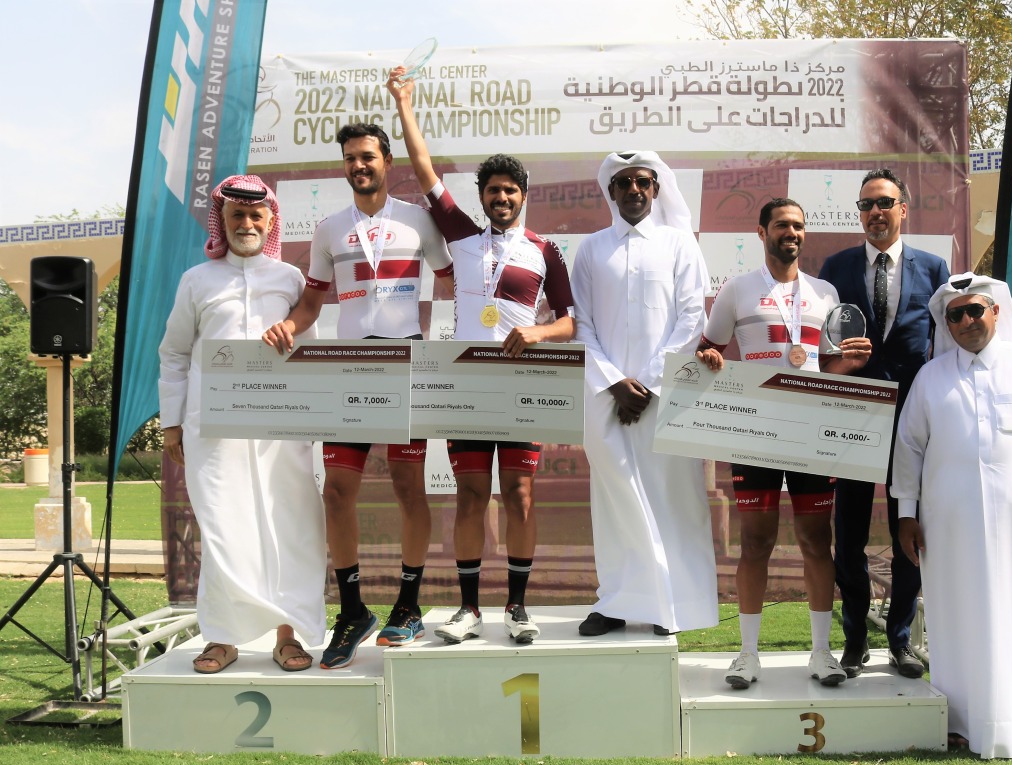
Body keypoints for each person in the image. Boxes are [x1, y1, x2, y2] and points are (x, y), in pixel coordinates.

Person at [388, 67, 575, 645]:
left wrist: (538, 335)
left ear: (522, 197)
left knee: (519, 495)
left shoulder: (545, 250)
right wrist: (405, 103)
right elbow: (424, 172)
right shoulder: (461, 237)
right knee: (470, 496)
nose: (501, 197)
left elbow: (571, 321)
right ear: (483, 198)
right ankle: (469, 609)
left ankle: (517, 606)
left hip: (521, 384)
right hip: (466, 385)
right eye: (492, 190)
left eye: (510, 191)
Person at [262, 123, 452, 669]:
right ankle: (353, 611)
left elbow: (456, 283)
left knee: (408, 488)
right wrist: (287, 328)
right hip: (349, 370)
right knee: (338, 494)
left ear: (386, 161)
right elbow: (311, 306)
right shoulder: (328, 230)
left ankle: (409, 606)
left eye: (366, 156)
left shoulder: (418, 221)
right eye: (349, 158)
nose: (358, 165)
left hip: (405, 365)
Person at [891, 272, 1012, 758]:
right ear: (947, 324)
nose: (966, 321)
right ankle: (958, 722)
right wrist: (906, 515)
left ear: (996, 311)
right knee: (957, 617)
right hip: (949, 527)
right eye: (955, 314)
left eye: (975, 310)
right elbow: (909, 450)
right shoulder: (931, 378)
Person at [697, 199, 872, 688]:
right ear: (762, 232)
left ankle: (821, 653)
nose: (790, 232)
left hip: (811, 431)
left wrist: (850, 365)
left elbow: (825, 366)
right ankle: (747, 655)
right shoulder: (737, 289)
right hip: (755, 430)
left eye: (798, 225)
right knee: (756, 542)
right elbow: (708, 348)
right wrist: (712, 359)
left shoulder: (824, 292)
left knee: (818, 542)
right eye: (781, 225)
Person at [159, 175, 326, 674]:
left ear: (271, 221)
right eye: (237, 216)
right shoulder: (197, 281)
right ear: (223, 221)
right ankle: (221, 638)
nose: (247, 224)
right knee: (222, 529)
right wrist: (171, 425)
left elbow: (314, 353)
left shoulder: (291, 281)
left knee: (290, 527)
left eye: (256, 216)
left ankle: (288, 635)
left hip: (281, 431)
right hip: (213, 431)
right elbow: (174, 354)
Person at [572, 151, 716, 637]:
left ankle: (670, 606)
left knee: (671, 498)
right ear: (610, 192)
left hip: (666, 396)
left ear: (655, 189)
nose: (634, 190)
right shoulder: (590, 250)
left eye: (643, 182)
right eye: (623, 183)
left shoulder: (679, 245)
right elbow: (582, 326)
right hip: (605, 397)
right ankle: (616, 601)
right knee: (614, 501)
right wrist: (614, 381)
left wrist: (649, 384)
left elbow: (692, 318)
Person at [817, 167, 949, 680]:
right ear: (860, 213)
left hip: (912, 421)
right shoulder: (836, 266)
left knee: (906, 533)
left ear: (903, 209)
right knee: (847, 534)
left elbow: (946, 344)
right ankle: (854, 638)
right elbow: (823, 345)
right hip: (851, 415)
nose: (876, 211)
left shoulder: (934, 268)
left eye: (885, 203)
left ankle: (899, 640)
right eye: (867, 204)